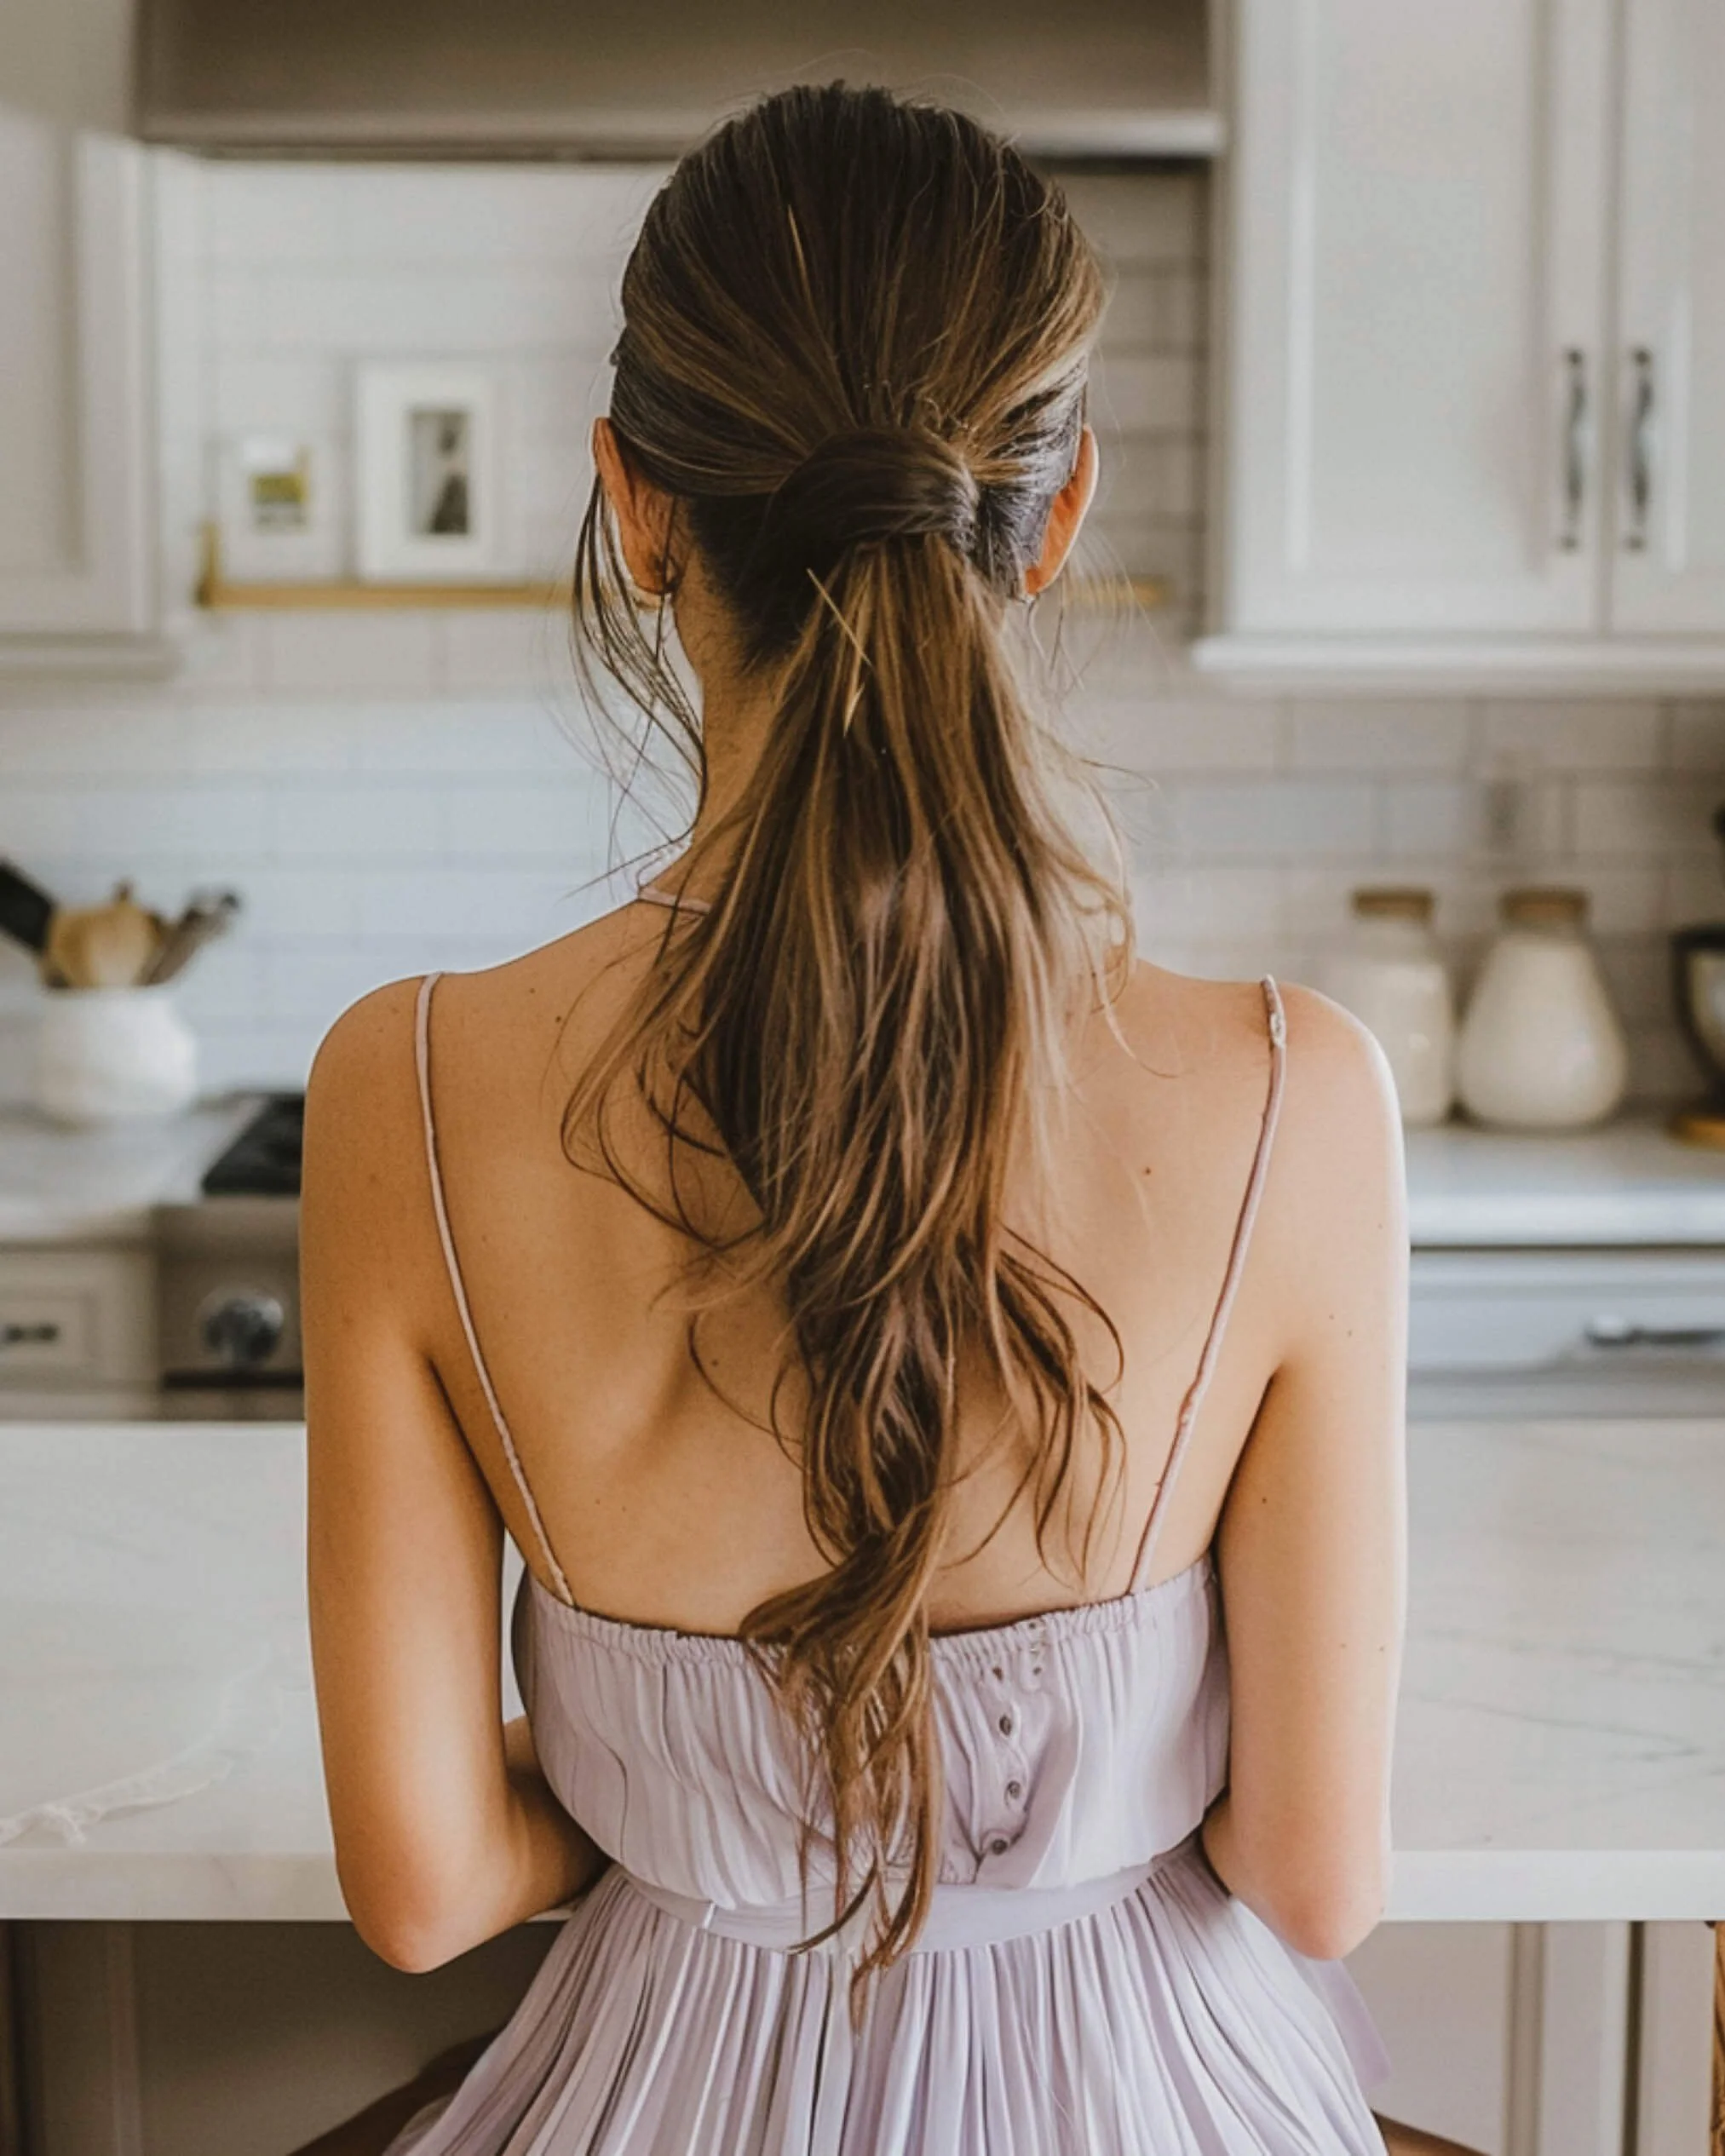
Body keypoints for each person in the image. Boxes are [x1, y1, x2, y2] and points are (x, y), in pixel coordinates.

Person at [301, 82, 1420, 2155]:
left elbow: (425, 1881)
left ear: (636, 510)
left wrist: (675, 1805)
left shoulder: (404, 1085)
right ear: (1059, 510)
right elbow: (1312, 1874)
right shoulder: (1293, 1097)